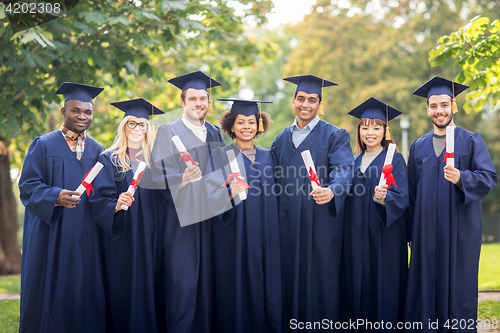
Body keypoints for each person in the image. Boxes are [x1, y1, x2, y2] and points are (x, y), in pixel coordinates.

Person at [404, 76, 497, 332]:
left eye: (444, 105)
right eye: (433, 106)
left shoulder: (471, 140)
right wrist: (411, 233)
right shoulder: (417, 147)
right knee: (425, 285)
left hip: (460, 232)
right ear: (427, 109)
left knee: (458, 286)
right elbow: (411, 194)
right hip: (425, 234)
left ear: (453, 106)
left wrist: (462, 178)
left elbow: (489, 177)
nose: (439, 111)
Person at [18, 82, 106, 333]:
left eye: (87, 112)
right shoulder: (43, 145)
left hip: (87, 235)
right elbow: (27, 185)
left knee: (85, 287)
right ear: (63, 112)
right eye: (76, 110)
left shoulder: (98, 150)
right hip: (52, 233)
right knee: (50, 287)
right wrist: (56, 196)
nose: (82, 116)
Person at [271, 75, 354, 331]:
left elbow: (345, 169)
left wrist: (332, 190)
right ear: (293, 101)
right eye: (301, 99)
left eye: (312, 100)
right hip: (287, 225)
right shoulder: (280, 139)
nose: (306, 104)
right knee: (289, 278)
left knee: (322, 279)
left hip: (321, 224)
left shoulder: (334, 135)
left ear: (320, 103)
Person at [151, 71, 225, 333]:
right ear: (182, 102)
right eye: (192, 98)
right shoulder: (168, 131)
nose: (198, 103)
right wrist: (181, 178)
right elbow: (155, 174)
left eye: (203, 98)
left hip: (211, 220)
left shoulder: (216, 133)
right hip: (180, 222)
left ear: (209, 102)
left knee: (208, 285)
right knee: (182, 285)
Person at [205, 99, 282, 333]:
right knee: (236, 288)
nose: (246, 126)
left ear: (260, 125)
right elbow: (208, 195)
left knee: (268, 289)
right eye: (241, 122)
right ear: (231, 126)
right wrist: (229, 193)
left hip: (267, 236)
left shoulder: (270, 157)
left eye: (251, 121)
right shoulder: (220, 156)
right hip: (234, 235)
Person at [89, 98, 164, 333]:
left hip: (153, 234)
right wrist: (116, 203)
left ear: (148, 129)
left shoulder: (157, 161)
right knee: (124, 286)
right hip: (123, 236)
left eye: (143, 125)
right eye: (132, 123)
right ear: (124, 126)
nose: (137, 129)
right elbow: (98, 199)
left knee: (153, 285)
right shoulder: (108, 158)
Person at [342, 97, 408, 331]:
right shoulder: (352, 162)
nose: (370, 132)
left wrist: (385, 197)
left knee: (384, 285)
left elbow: (403, 197)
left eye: (376, 127)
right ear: (358, 131)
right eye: (365, 127)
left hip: (384, 237)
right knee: (357, 283)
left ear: (385, 130)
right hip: (355, 237)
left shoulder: (394, 159)